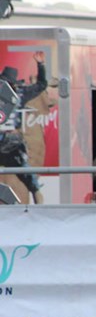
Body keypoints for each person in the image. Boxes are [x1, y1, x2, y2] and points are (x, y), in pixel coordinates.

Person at [0, 51, 46, 203]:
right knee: (29, 178)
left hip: (11, 140)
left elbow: (41, 85)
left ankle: (40, 207)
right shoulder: (18, 93)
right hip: (8, 139)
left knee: (30, 179)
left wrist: (41, 66)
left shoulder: (20, 93)